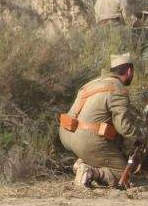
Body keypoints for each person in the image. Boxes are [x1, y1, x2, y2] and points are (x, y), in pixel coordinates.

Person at [58, 54, 139, 189]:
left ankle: (82, 163)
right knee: (125, 175)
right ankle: (92, 172)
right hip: (86, 139)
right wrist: (140, 133)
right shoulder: (118, 88)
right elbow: (125, 128)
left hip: (67, 134)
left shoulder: (91, 83)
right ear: (129, 71)